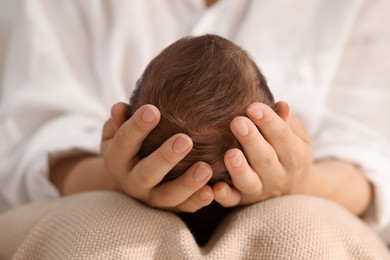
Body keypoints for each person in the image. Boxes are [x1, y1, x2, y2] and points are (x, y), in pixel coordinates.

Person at [1, 0, 390, 258]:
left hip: (315, 206)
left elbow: (376, 153)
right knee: (100, 231)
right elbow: (29, 133)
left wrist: (304, 180)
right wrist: (109, 175)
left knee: (306, 233)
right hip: (95, 194)